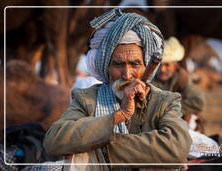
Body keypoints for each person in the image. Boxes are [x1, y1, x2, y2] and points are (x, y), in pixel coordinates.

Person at [44, 9, 191, 170]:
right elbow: (54, 141)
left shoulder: (164, 101)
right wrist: (119, 116)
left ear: (146, 65)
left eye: (135, 64)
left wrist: (103, 152)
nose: (127, 75)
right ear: (106, 66)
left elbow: (177, 147)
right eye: (118, 64)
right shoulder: (87, 98)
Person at [152, 37, 205, 131]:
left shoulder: (182, 78)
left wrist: (169, 108)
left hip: (178, 118)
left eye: (167, 65)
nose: (162, 69)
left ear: (175, 66)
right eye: (160, 65)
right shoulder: (152, 77)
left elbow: (199, 101)